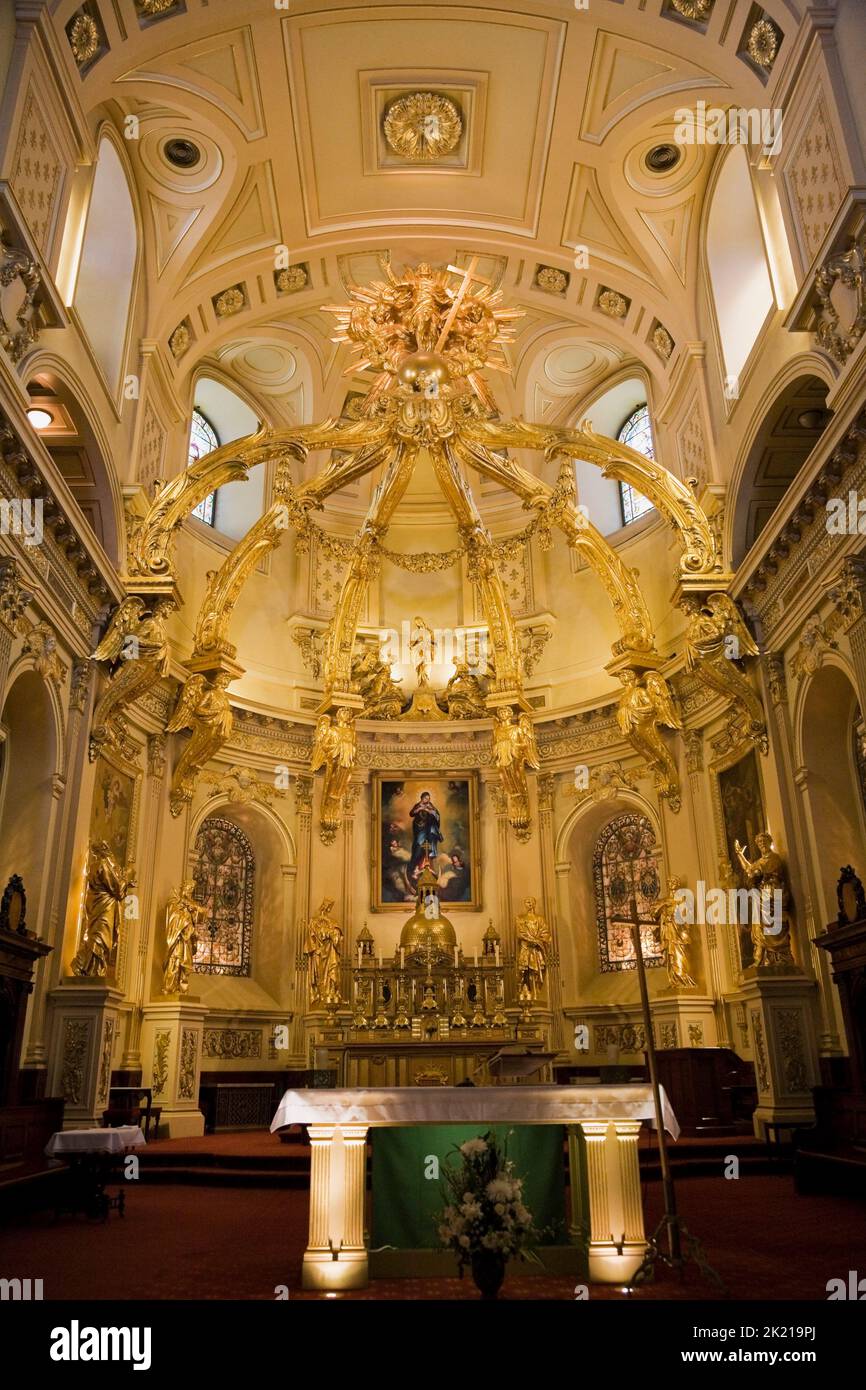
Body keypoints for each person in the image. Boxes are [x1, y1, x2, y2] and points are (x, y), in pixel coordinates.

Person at [408, 790, 443, 878]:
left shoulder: (430, 805)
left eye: (429, 798)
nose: (428, 800)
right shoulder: (418, 805)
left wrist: (431, 811)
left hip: (428, 830)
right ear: (422, 798)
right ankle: (414, 868)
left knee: (427, 848)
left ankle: (424, 867)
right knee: (418, 846)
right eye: (426, 798)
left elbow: (436, 815)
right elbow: (411, 813)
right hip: (419, 829)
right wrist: (419, 809)